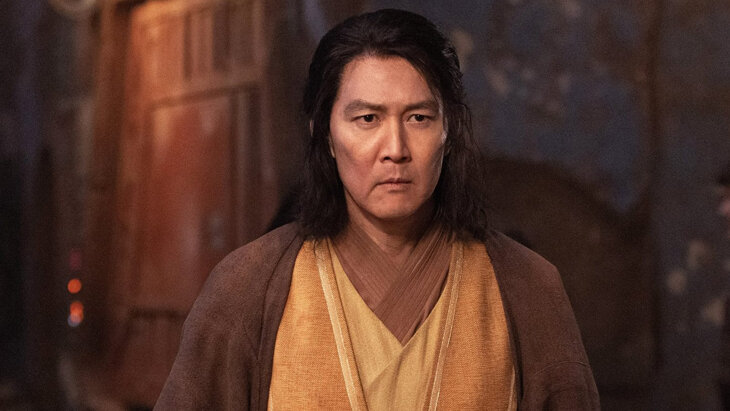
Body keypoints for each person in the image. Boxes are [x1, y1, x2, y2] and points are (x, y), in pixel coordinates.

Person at [155, 9, 598, 410]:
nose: (396, 149)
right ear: (325, 134)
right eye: (367, 119)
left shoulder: (526, 287)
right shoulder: (248, 287)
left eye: (419, 118)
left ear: (449, 130)